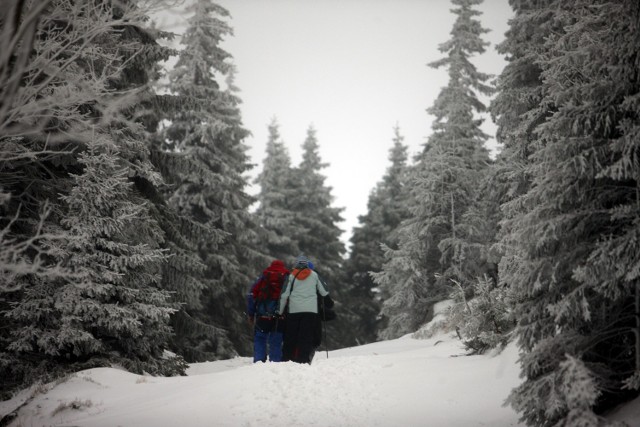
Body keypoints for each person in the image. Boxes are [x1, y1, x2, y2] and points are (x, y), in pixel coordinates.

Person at [279, 254, 329, 364]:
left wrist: (280, 311)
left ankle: (286, 359)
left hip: (294, 311)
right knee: (306, 336)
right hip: (310, 311)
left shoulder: (291, 276)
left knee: (291, 336)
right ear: (307, 265)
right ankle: (303, 360)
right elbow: (324, 291)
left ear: (296, 265)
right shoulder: (315, 275)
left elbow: (284, 295)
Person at [246, 259, 290, 363]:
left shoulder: (264, 276)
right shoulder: (286, 278)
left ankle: (259, 362)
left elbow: (251, 295)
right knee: (276, 340)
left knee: (260, 338)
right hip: (280, 316)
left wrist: (251, 313)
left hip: (263, 315)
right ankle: (275, 363)